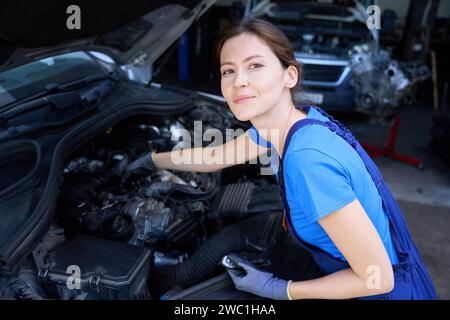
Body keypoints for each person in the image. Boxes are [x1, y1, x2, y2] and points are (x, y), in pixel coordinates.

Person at [124, 18, 437, 300]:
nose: (238, 81)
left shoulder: (308, 161)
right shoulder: (291, 120)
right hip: (345, 263)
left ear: (289, 75)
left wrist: (280, 289)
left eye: (255, 66)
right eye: (228, 70)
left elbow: (377, 279)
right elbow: (215, 156)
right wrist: (152, 159)